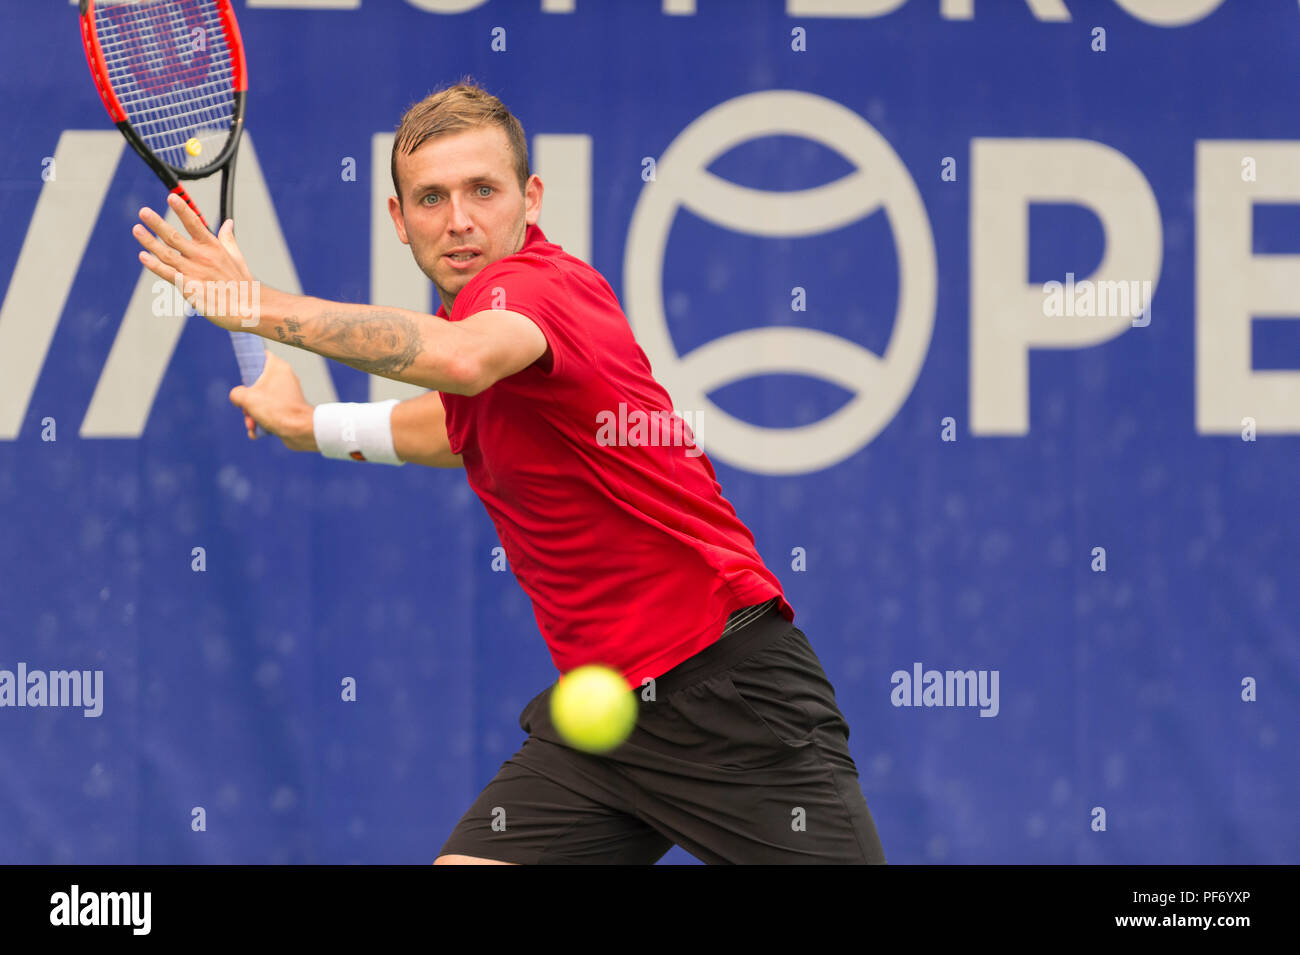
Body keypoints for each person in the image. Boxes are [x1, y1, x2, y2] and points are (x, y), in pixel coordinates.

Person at [131, 80, 887, 865]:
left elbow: (459, 362)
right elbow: (461, 427)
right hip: (608, 723)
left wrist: (252, 304)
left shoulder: (533, 290)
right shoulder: (490, 335)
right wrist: (313, 424)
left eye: (481, 190)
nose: (458, 220)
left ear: (529, 198)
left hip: (729, 693)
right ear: (398, 219)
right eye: (430, 198)